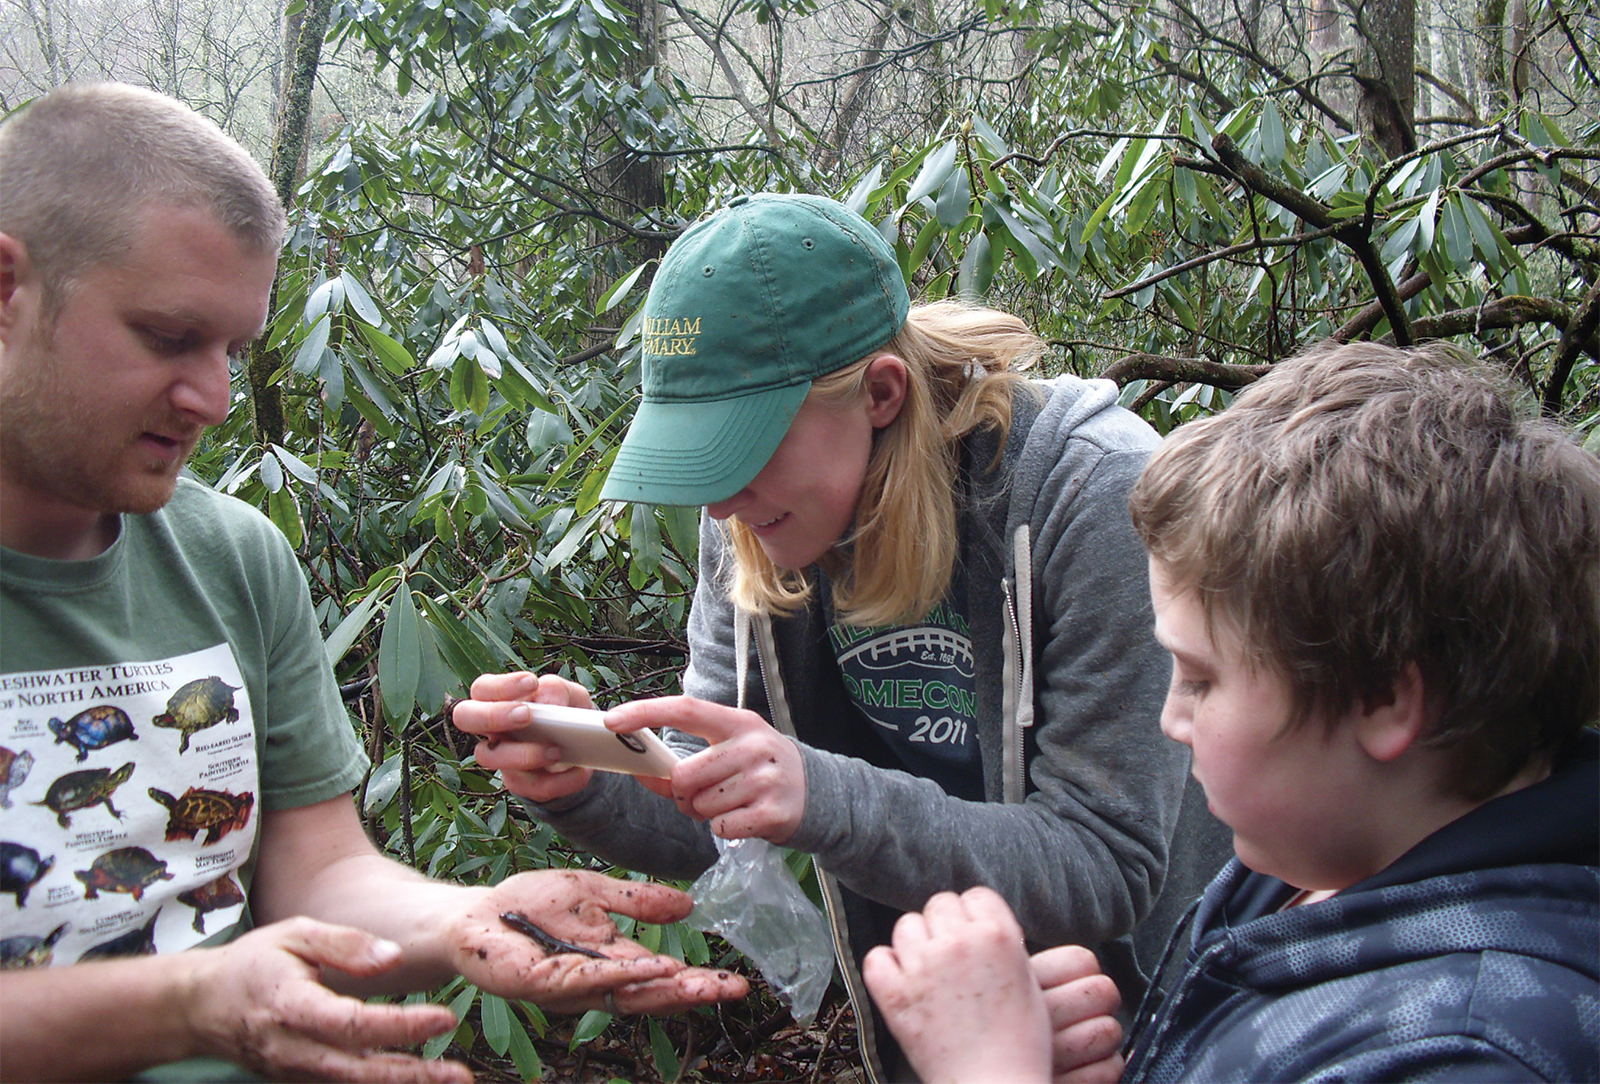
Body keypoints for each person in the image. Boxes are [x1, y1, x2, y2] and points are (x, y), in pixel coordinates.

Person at [0, 83, 746, 1084]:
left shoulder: (232, 557)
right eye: (170, 338)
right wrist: (189, 1005)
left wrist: (468, 920)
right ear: (8, 290)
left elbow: (319, 868)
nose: (215, 399)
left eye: (233, 349)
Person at [453, 193, 1230, 1080]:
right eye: (699, 457)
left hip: (1170, 1033)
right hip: (948, 1035)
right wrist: (591, 775)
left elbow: (1110, 864)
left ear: (881, 392)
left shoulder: (1089, 498)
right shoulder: (758, 516)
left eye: (742, 448)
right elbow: (717, 820)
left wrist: (824, 795)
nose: (716, 501)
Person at [860, 340, 1600, 1083]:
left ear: (1381, 697)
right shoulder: (1307, 866)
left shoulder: (1473, 1050)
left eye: (1200, 679)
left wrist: (989, 1070)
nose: (1171, 721)